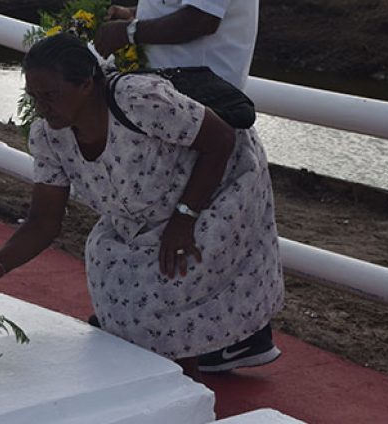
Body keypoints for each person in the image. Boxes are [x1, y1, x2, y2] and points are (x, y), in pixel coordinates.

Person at [0, 33, 284, 378]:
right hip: (148, 204)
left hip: (217, 184)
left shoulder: (139, 100)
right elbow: (43, 221)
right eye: (35, 98)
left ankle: (194, 373)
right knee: (105, 259)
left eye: (51, 95)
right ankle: (156, 354)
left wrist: (184, 220)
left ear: (87, 84)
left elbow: (222, 138)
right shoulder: (48, 136)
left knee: (174, 275)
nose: (43, 108)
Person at [94, 1, 279, 373]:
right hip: (175, 100)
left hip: (203, 104)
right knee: (180, 229)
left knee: (184, 234)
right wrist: (137, 18)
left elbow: (203, 19)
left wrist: (129, 33)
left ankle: (221, 342)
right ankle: (222, 337)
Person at [94, 0, 258, 90]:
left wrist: (128, 32)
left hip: (202, 97)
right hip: (168, 91)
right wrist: (132, 13)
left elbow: (202, 20)